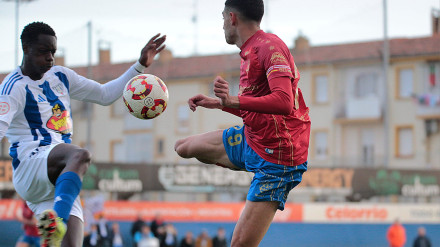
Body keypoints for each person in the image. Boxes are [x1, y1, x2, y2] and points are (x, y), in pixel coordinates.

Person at [0, 22, 165, 247]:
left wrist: (139, 66)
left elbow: (105, 94)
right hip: (31, 165)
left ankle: (54, 223)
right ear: (26, 48)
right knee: (80, 155)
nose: (50, 57)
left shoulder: (60, 76)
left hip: (56, 179)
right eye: (43, 51)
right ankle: (57, 219)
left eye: (53, 52)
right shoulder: (13, 87)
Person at [174, 0, 310, 246]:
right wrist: (220, 103)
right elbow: (257, 108)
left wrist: (232, 100)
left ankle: (252, 169)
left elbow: (283, 102)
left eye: (223, 17)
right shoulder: (248, 51)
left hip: (278, 159)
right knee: (183, 147)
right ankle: (246, 163)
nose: (223, 24)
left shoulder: (270, 46)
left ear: (232, 18)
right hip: (254, 139)